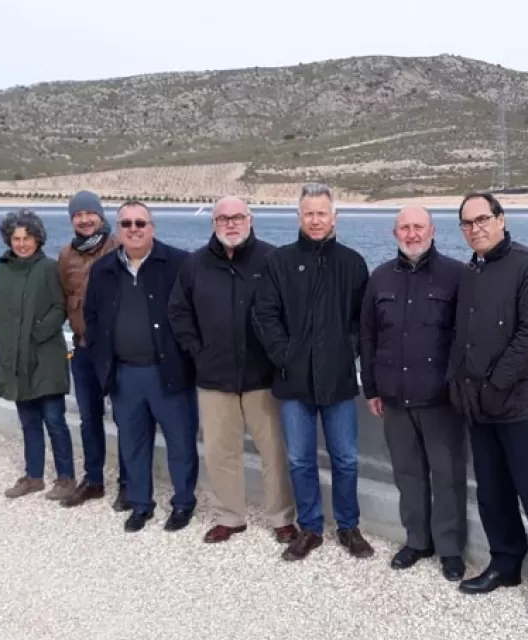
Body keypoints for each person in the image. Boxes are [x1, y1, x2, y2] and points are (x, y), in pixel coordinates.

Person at [447, 191, 528, 621]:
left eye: (482, 219)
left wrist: (496, 386)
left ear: (501, 219)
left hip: (522, 407)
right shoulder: (470, 273)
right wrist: (458, 385)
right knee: (493, 493)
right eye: (467, 223)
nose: (475, 228)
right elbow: (461, 339)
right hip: (479, 408)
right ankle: (505, 562)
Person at [252, 183, 373, 561]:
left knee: (346, 459)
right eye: (309, 213)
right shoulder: (280, 261)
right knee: (301, 459)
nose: (316, 220)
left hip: (337, 380)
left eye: (323, 213)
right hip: (293, 381)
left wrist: (347, 349)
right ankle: (310, 528)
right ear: (299, 217)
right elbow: (264, 314)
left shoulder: (352, 263)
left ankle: (349, 527)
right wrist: (284, 354)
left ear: (334, 217)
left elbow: (362, 320)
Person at [168, 196, 299, 545]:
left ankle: (282, 518)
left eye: (237, 216)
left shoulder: (273, 259)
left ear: (250, 220)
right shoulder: (195, 265)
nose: (231, 223)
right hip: (214, 379)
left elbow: (291, 314)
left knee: (274, 452)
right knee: (220, 452)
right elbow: (179, 313)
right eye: (223, 218)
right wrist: (198, 352)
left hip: (264, 379)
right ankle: (230, 516)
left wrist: (280, 356)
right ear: (213, 224)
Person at [359, 205, 468, 581]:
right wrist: (371, 387)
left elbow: (466, 339)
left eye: (418, 226)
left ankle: (451, 548)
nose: (412, 233)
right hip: (394, 399)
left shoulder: (457, 275)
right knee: (407, 475)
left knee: (447, 477)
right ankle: (417, 541)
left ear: (433, 230)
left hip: (442, 402)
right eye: (404, 228)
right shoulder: (380, 278)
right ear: (395, 234)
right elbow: (369, 337)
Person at [83, 200, 199, 533]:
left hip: (169, 372)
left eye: (140, 223)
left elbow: (194, 313)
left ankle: (183, 503)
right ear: (117, 230)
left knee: (180, 441)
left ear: (152, 227)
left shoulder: (179, 263)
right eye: (126, 224)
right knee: (132, 443)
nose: (133, 229)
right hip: (124, 374)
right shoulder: (103, 269)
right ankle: (140, 503)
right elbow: (91, 317)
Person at [0, 209, 76, 501]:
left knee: (54, 420)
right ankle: (33, 476)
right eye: (16, 238)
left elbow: (59, 308)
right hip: (15, 360)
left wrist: (36, 333)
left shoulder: (49, 268)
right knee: (28, 422)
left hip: (46, 358)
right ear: (8, 240)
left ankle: (66, 478)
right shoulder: (2, 271)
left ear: (38, 239)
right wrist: (7, 339)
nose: (22, 244)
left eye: (27, 238)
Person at [57, 191, 129, 510]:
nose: (85, 219)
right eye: (78, 214)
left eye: (90, 213)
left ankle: (129, 483)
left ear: (101, 216)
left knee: (127, 419)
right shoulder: (65, 256)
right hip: (84, 350)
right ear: (72, 219)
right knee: (89, 419)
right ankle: (94, 480)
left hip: (118, 351)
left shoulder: (122, 248)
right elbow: (63, 297)